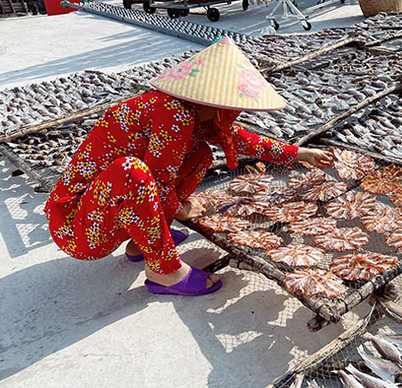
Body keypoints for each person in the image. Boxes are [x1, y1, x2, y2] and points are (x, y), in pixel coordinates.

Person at [44, 36, 332, 297]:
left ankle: (140, 246)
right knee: (133, 172)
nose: (236, 111)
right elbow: (155, 180)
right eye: (234, 104)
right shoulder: (174, 113)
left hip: (105, 213)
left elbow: (242, 141)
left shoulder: (194, 113)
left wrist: (300, 153)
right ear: (215, 99)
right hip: (78, 231)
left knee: (200, 155)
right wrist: (179, 209)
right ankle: (164, 271)